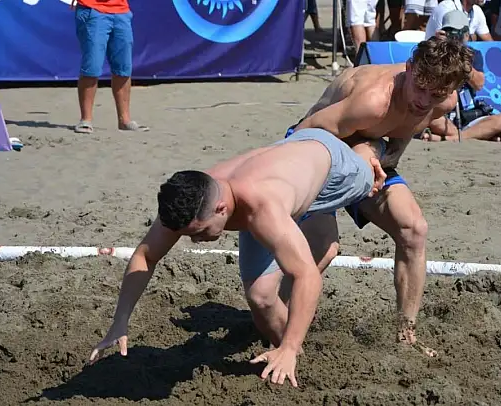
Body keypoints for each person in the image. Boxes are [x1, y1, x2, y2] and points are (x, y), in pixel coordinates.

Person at [88, 129, 387, 387]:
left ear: (221, 209)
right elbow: (146, 255)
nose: (196, 241)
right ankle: (289, 354)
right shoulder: (192, 200)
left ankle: (369, 147)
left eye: (200, 232)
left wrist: (290, 347)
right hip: (286, 173)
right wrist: (120, 320)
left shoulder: (261, 209)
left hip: (331, 163)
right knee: (260, 297)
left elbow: (306, 275)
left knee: (369, 176)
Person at [286, 36, 476, 358]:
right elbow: (305, 132)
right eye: (420, 88)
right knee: (324, 247)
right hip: (315, 149)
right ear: (409, 69)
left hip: (371, 154)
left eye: (435, 94)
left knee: (414, 230)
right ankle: (278, 323)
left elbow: (406, 128)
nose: (424, 100)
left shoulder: (442, 101)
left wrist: (383, 153)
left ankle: (406, 336)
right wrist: (361, 156)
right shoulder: (373, 100)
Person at [419, 10, 501, 142]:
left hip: (468, 115)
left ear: (466, 35)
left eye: (456, 33)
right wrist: (436, 47)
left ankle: (449, 138)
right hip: (443, 115)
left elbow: (479, 84)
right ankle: (471, 135)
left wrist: (460, 60)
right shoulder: (433, 53)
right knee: (427, 116)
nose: (453, 38)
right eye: (449, 33)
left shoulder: (473, 54)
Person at [72, 0, 148, 134]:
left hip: (121, 11)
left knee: (123, 68)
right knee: (92, 67)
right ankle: (86, 119)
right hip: (92, 9)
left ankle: (124, 121)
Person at [425, 0, 495, 41]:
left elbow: (489, 40)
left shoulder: (477, 10)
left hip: (459, 55)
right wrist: (472, 37)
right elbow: (444, 42)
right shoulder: (446, 8)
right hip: (438, 56)